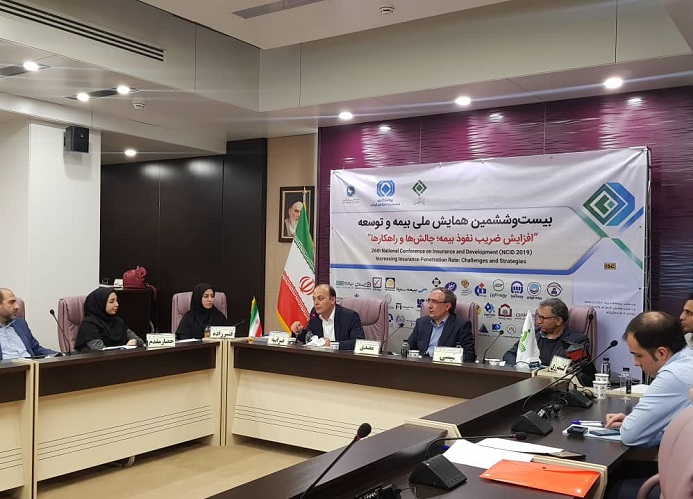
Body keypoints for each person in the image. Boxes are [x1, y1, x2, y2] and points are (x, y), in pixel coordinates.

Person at [604, 311, 693, 447]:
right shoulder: (688, 357)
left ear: (661, 353)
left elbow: (630, 436)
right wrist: (641, 425)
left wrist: (632, 425)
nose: (635, 363)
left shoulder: (672, 376)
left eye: (638, 355)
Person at [502, 298, 595, 384]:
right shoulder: (533, 333)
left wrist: (541, 371)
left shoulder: (577, 341)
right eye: (538, 317)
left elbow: (581, 372)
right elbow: (509, 355)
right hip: (528, 381)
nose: (538, 321)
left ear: (558, 320)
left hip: (556, 386)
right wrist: (523, 367)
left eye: (542, 318)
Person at [407, 287, 476, 362]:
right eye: (429, 301)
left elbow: (469, 355)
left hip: (444, 366)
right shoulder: (421, 323)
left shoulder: (461, 325)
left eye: (434, 302)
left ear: (447, 306)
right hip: (421, 365)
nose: (429, 306)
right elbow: (408, 349)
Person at [290, 284, 365, 350]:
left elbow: (358, 342)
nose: (316, 303)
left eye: (320, 299)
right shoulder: (315, 315)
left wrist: (331, 345)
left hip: (343, 359)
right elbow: (310, 338)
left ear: (332, 300)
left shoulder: (350, 316)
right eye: (314, 299)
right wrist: (298, 331)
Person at [75, 287, 145, 351]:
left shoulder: (117, 321)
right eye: (111, 302)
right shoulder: (89, 324)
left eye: (116, 301)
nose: (116, 304)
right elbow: (99, 350)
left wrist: (135, 341)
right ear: (101, 303)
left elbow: (140, 341)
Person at [0, 287, 57, 359]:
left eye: (16, 302)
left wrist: (59, 356)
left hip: (30, 364)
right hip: (8, 366)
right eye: (11, 302)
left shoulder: (20, 324)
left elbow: (36, 348)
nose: (17, 306)